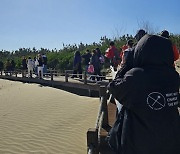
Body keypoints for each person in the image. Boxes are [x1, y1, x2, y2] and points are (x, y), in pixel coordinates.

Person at [108, 34, 180, 154]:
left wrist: (126, 66)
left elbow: (113, 87)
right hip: (172, 145)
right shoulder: (173, 77)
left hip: (137, 146)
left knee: (124, 105)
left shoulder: (136, 76)